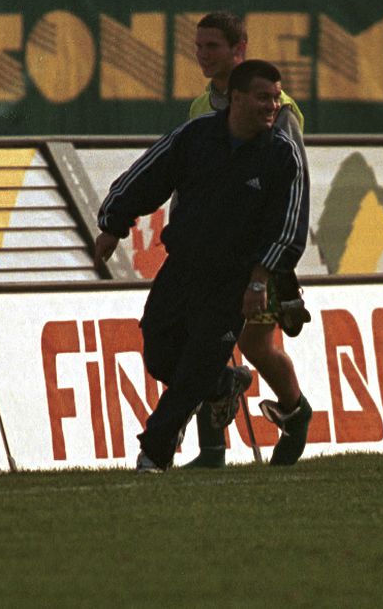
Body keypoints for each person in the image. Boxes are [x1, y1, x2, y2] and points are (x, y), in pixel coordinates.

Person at [93, 59, 310, 473]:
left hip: (236, 281)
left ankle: (153, 453)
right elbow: (147, 175)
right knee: (158, 354)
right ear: (237, 98)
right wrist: (113, 225)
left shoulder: (282, 155)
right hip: (183, 267)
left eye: (276, 98)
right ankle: (224, 384)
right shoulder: (195, 136)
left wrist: (260, 279)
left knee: (196, 367)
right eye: (264, 98)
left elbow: (290, 224)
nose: (273, 106)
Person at [185, 11, 313, 469]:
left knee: (257, 346)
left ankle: (297, 414)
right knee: (202, 339)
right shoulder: (200, 108)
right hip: (212, 248)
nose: (202, 55)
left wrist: (279, 265)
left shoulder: (278, 108)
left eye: (212, 47)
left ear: (239, 50)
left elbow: (293, 188)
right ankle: (212, 449)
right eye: (198, 46)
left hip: (261, 250)